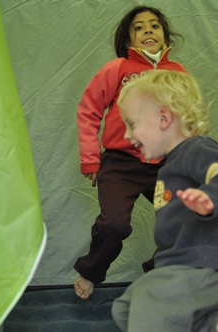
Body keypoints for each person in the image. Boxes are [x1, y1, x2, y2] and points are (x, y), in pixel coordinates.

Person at [111, 70, 218, 332]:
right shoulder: (169, 164)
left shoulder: (198, 149)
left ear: (163, 118)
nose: (127, 135)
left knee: (153, 309)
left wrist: (210, 198)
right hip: (174, 263)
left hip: (201, 260)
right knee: (125, 307)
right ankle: (212, 328)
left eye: (132, 123)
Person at [74, 6, 187, 300]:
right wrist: (90, 157)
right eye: (139, 27)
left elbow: (188, 120)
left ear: (164, 35)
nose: (148, 30)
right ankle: (91, 270)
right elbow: (88, 111)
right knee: (114, 225)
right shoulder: (118, 69)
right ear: (128, 40)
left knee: (186, 219)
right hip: (121, 165)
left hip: (164, 166)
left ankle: (159, 270)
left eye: (154, 26)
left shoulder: (177, 73)